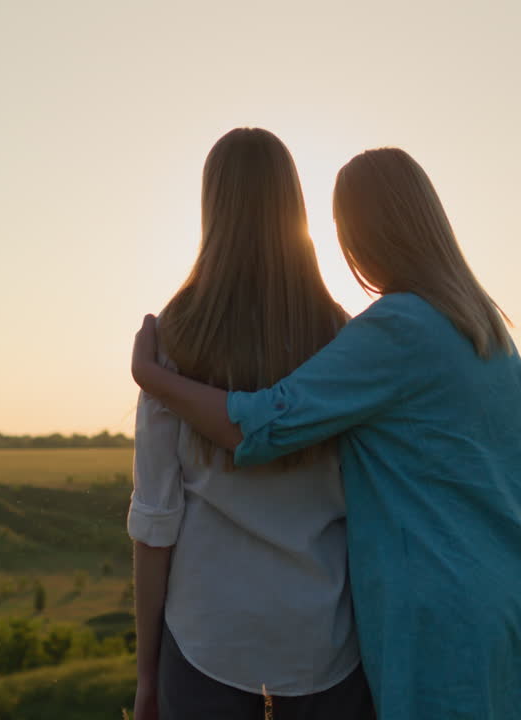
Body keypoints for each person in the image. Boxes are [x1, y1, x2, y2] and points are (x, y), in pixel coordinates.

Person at [131, 147, 521, 719]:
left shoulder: (394, 330)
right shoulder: (488, 333)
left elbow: (263, 424)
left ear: (366, 233)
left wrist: (154, 380)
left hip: (439, 617)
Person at [127, 127, 373, 720]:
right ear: (294, 205)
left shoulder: (170, 342)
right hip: (325, 648)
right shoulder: (343, 337)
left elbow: (156, 522)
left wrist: (146, 674)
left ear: (212, 207)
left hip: (207, 645)